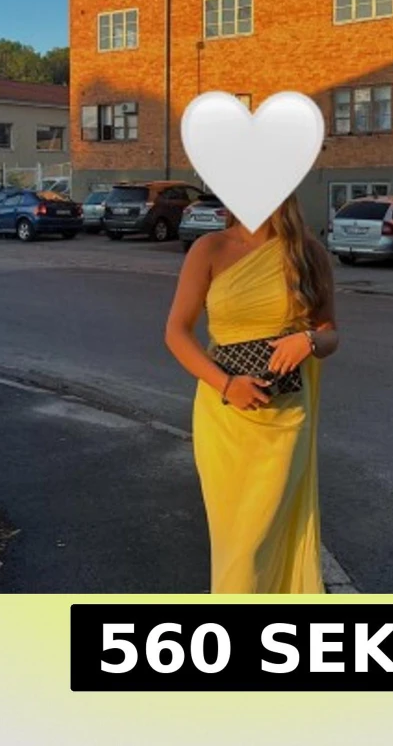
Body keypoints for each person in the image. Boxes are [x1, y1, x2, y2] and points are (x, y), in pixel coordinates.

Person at [164, 193, 339, 593]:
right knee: (236, 546)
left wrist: (309, 340)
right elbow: (176, 332)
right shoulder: (210, 248)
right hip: (223, 417)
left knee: (259, 541)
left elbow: (331, 333)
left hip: (284, 420)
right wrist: (227, 385)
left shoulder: (308, 252)